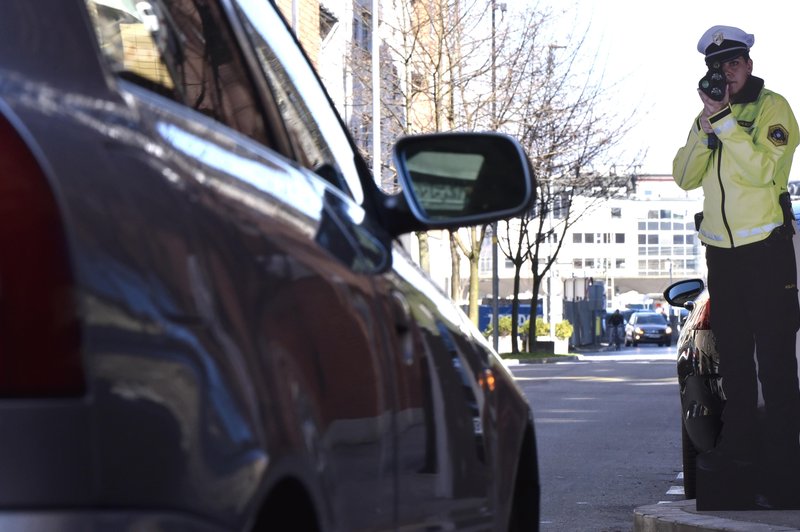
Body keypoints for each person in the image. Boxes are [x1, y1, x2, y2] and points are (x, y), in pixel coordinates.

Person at [673, 25, 800, 509]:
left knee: (775, 364)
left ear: (748, 63)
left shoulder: (774, 108)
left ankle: (785, 464)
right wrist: (706, 131)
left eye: (734, 63)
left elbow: (764, 170)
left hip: (765, 251)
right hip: (721, 256)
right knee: (736, 368)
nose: (726, 72)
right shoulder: (708, 115)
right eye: (717, 66)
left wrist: (725, 122)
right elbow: (685, 177)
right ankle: (740, 457)